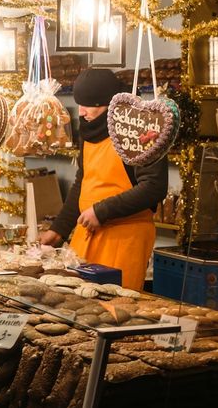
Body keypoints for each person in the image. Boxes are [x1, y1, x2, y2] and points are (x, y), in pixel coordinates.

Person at [38, 69, 168, 291]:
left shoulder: (139, 131)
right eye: (79, 104)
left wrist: (101, 211)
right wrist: (59, 229)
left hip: (125, 237)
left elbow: (153, 187)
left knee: (114, 303)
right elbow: (83, 181)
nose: (81, 112)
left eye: (88, 105)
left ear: (108, 104)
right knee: (75, 299)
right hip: (87, 233)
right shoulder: (89, 131)